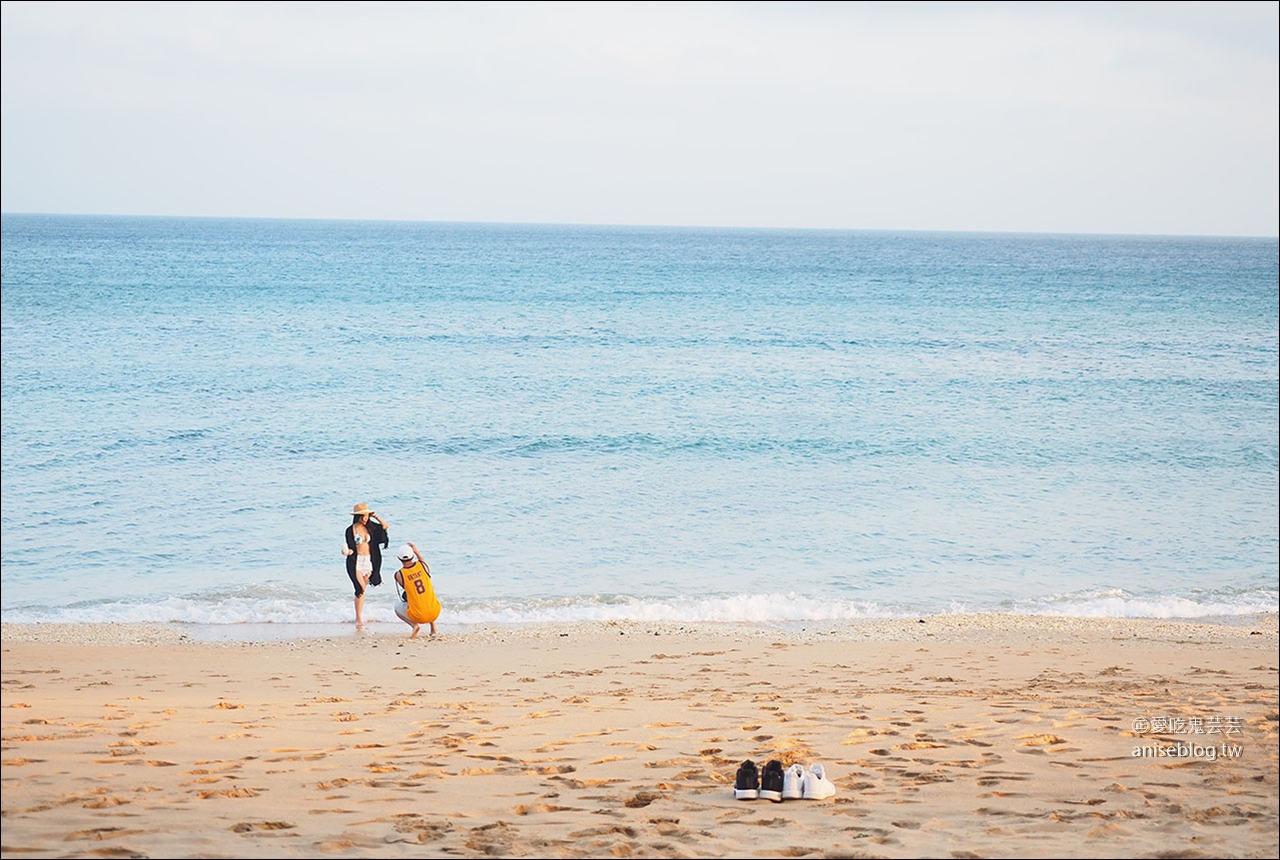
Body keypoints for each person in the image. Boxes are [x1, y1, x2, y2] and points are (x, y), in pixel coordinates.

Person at [341, 502, 388, 628]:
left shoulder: (371, 527)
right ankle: (358, 618)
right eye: (364, 516)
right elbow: (351, 548)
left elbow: (385, 527)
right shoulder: (350, 530)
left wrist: (376, 516)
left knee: (362, 591)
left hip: (369, 561)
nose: (366, 518)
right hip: (356, 561)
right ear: (358, 516)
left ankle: (359, 616)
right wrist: (347, 552)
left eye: (367, 515)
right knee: (360, 588)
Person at [393, 542, 442, 638]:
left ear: (399, 558)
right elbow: (422, 559)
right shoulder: (423, 566)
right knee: (427, 596)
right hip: (435, 611)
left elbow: (406, 588)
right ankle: (433, 627)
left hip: (418, 616)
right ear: (413, 555)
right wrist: (416, 550)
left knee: (397, 607)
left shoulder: (399, 574)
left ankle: (414, 626)